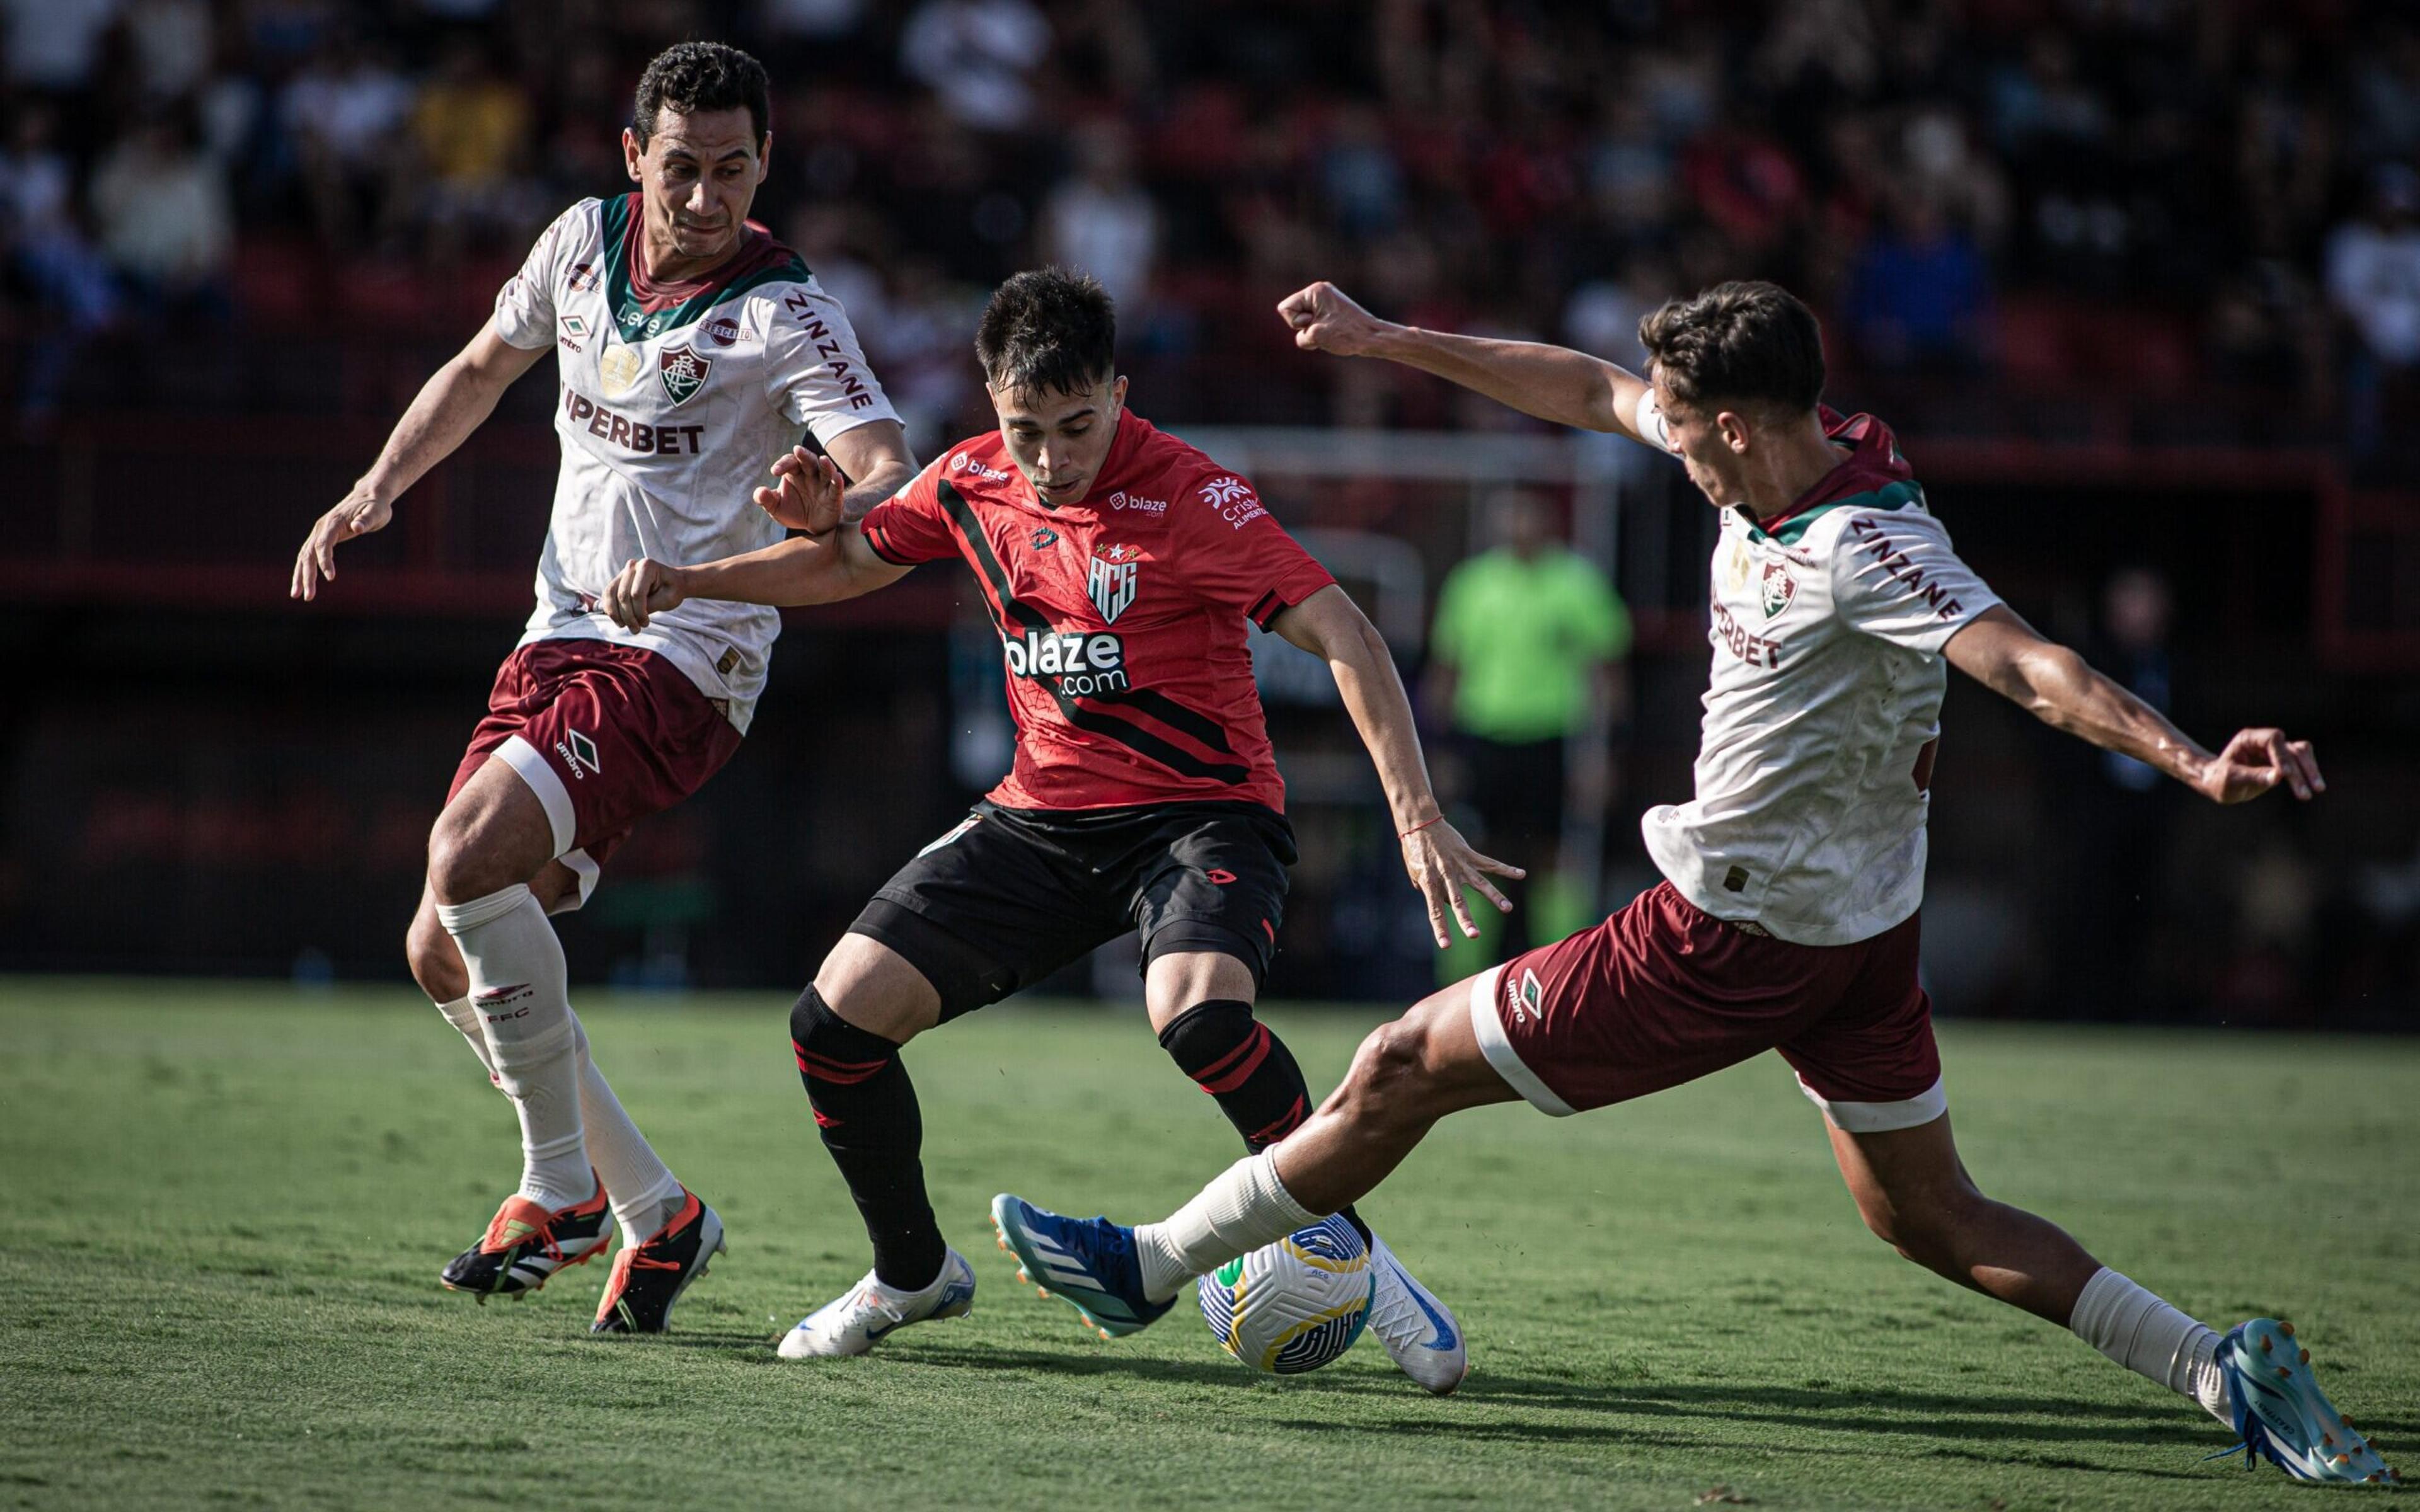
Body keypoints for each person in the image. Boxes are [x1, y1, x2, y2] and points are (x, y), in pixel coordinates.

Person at [991, 280, 2397, 1487]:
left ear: (1739, 421)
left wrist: (2195, 761)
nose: (1661, 435)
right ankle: (2226, 1373)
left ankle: (1148, 1268)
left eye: (1683, 422)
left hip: (1728, 937)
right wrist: (1385, 337)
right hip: (1858, 934)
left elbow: (2032, 666)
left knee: (1401, 1062)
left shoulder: (1868, 546)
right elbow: (1591, 389)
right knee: (1927, 1215)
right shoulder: (1781, 441)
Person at [602, 267, 1516, 1392]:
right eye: (1025, 428)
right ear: (992, 404)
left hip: (1203, 813)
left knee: (1194, 1016)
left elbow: (1350, 635)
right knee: (832, 1024)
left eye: (1077, 425)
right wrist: (692, 579)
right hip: (1041, 820)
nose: (1050, 456)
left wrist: (1415, 810)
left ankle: (1364, 1263)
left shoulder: (1196, 498)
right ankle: (910, 1274)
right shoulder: (974, 479)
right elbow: (846, 560)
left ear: (1119, 394)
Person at [289, 42, 916, 1334]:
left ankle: (556, 1189)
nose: (705, 199)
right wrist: (376, 488)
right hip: (555, 636)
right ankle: (656, 1211)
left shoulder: (783, 311)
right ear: (634, 157)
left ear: (765, 164)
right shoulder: (578, 243)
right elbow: (477, 369)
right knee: (440, 947)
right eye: (680, 169)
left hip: (687, 655)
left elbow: (890, 471)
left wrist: (829, 501)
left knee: (464, 856)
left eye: (732, 171)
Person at [1427, 487, 1631, 965]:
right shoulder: (1472, 583)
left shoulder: (1577, 582)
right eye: (1508, 514)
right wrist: (1438, 752)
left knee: (1552, 856)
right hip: (1483, 738)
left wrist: (1605, 756)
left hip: (1551, 740)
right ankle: (1461, 975)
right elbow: (1447, 671)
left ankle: (1558, 966)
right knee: (1473, 852)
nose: (1517, 525)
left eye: (1527, 513)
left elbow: (1610, 674)